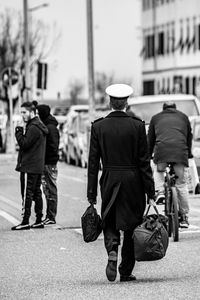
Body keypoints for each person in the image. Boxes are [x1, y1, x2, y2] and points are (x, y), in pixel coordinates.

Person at [87, 84, 155, 282]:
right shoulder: (137, 125)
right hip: (133, 181)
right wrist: (150, 192)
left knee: (109, 219)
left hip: (109, 178)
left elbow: (93, 164)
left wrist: (91, 194)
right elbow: (144, 163)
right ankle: (126, 270)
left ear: (110, 102)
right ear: (127, 102)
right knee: (132, 224)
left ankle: (112, 250)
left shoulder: (98, 127)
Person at [148, 101, 193, 229]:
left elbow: (150, 140)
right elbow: (188, 137)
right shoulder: (183, 117)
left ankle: (161, 193)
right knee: (181, 183)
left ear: (163, 109)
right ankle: (184, 217)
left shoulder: (156, 118)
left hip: (162, 152)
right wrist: (188, 154)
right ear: (175, 108)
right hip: (180, 153)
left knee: (159, 172)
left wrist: (148, 155)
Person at [12, 101, 48, 230]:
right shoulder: (38, 125)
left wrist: (18, 130)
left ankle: (25, 220)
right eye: (21, 112)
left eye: (24, 112)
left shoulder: (33, 127)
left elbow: (24, 144)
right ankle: (38, 219)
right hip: (36, 165)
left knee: (28, 193)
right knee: (36, 193)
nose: (22, 115)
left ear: (32, 112)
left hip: (30, 165)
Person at [37, 104, 60, 225]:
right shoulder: (48, 125)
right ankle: (50, 215)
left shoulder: (50, 127)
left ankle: (51, 216)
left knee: (50, 189)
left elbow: (53, 146)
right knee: (48, 189)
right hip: (47, 162)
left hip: (49, 163)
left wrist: (45, 157)